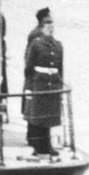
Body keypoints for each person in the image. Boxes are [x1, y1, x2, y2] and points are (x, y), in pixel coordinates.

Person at [24, 12, 63, 156]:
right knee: (38, 118)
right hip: (39, 84)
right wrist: (28, 87)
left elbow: (60, 69)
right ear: (42, 28)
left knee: (48, 118)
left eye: (52, 26)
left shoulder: (58, 46)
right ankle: (37, 146)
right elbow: (28, 68)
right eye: (47, 26)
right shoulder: (36, 44)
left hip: (52, 85)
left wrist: (59, 85)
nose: (50, 28)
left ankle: (47, 146)